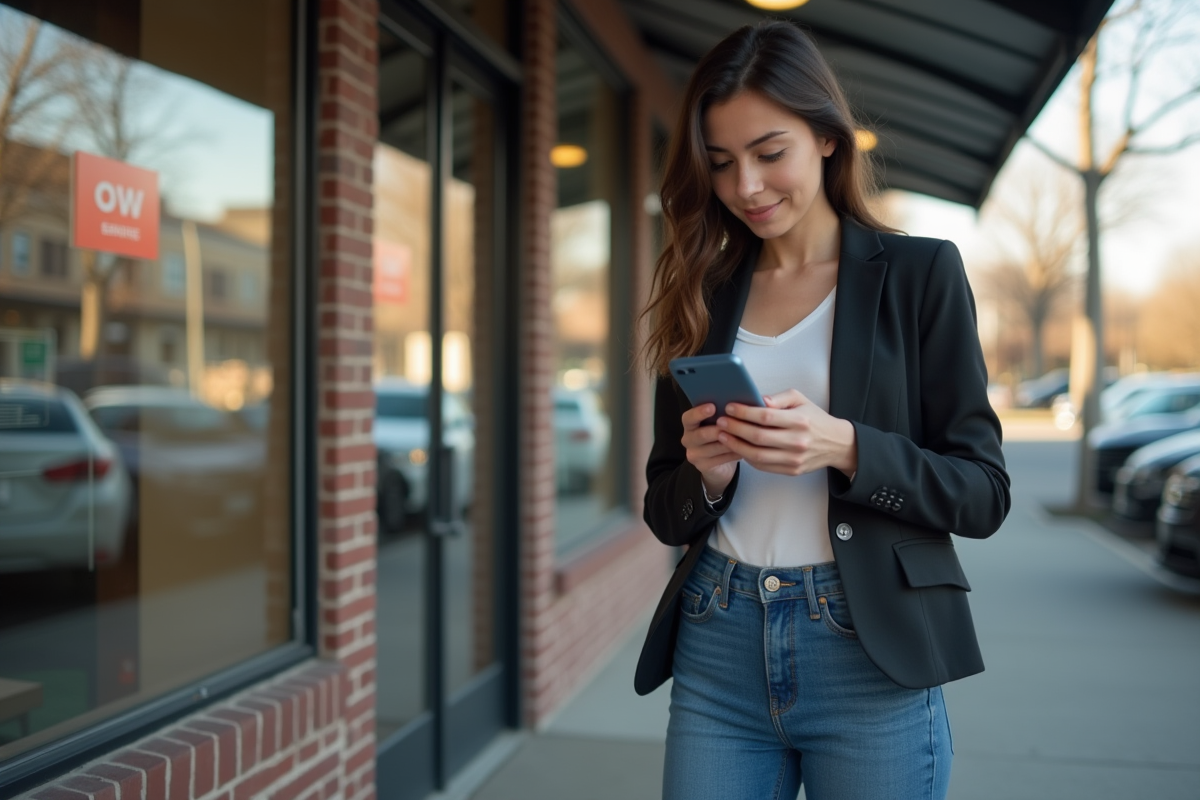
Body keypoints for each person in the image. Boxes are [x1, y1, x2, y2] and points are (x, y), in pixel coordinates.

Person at [634, 20, 1011, 800]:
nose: (746, 187)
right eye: (722, 162)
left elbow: (983, 492)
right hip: (718, 633)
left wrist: (846, 447)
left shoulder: (919, 274)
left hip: (866, 651)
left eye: (770, 153)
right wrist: (706, 477)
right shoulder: (704, 289)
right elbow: (665, 509)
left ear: (828, 140)